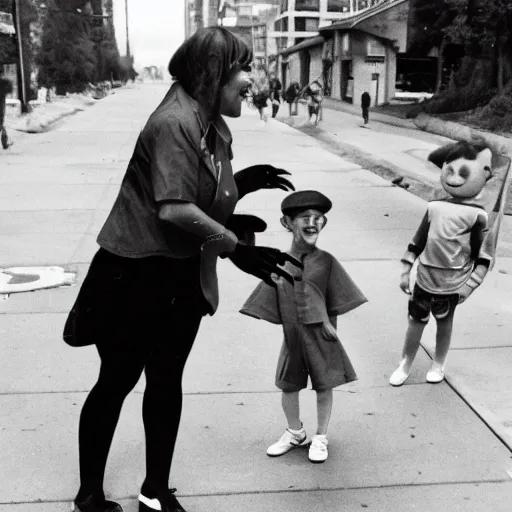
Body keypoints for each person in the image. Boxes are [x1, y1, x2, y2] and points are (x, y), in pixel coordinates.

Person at [63, 27, 303, 512]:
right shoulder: (174, 121)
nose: (251, 79)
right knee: (118, 379)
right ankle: (89, 495)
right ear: (213, 73)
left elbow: (198, 191)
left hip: (176, 272)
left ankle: (155, 488)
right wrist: (235, 246)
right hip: (132, 273)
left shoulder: (210, 120)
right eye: (244, 68)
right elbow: (172, 208)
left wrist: (243, 188)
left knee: (167, 379)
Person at [240, 191, 367, 463]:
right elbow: (267, 292)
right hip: (293, 337)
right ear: (287, 224)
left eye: (318, 218)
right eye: (305, 218)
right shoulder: (280, 261)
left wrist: (331, 325)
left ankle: (320, 437)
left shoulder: (327, 261)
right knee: (288, 385)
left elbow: (337, 297)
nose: (312, 223)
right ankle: (295, 432)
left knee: (325, 385)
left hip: (321, 334)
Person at [389, 141, 496, 387]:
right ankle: (405, 363)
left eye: (464, 173)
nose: (456, 178)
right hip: (424, 278)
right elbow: (418, 241)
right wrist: (406, 269)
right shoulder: (433, 207)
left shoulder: (478, 216)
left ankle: (438, 363)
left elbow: (482, 256)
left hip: (452, 283)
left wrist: (470, 285)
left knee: (444, 323)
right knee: (415, 321)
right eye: (451, 171)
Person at [0, 73, 13, 150]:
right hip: (0, 107)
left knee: (1, 126)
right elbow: (10, 89)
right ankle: (5, 144)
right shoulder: (4, 82)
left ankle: (5, 144)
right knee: (1, 125)